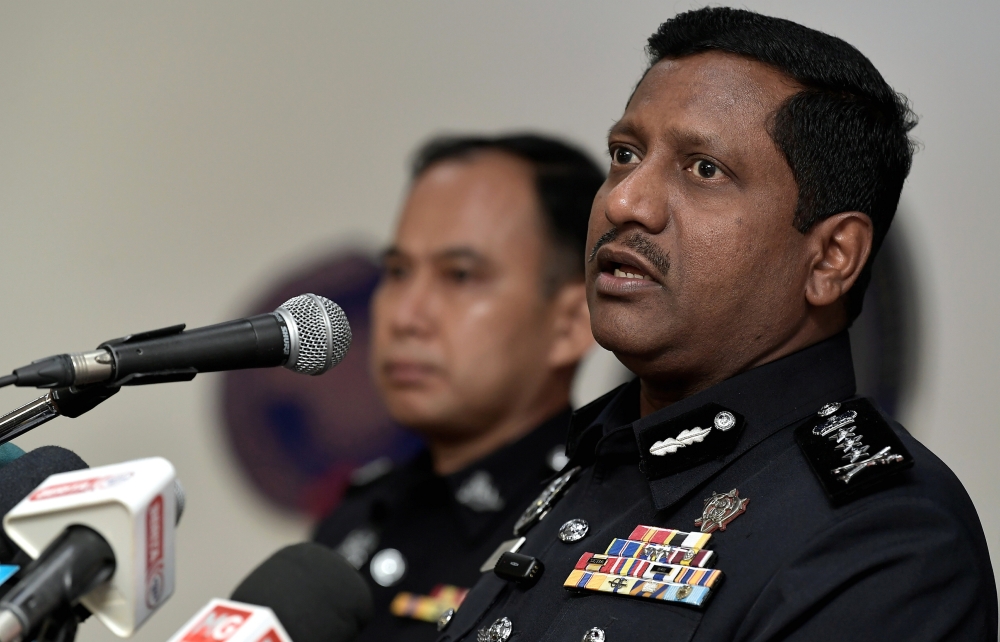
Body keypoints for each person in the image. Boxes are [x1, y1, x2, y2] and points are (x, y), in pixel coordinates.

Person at [437, 8, 997, 642]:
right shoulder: (599, 465)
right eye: (625, 154)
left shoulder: (886, 536)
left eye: (704, 169)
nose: (625, 201)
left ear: (831, 257)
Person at [313, 134, 604, 641]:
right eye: (398, 272)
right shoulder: (358, 515)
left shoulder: (592, 526)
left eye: (461, 276)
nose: (406, 316)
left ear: (572, 323)